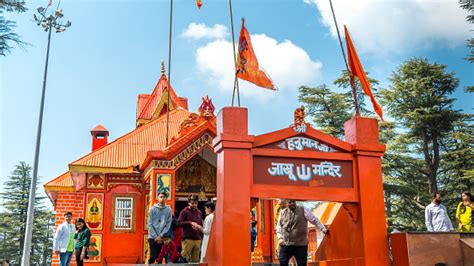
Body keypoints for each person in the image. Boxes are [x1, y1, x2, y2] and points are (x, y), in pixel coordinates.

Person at [276, 200, 328, 266]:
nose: (292, 203)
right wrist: (280, 238)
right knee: (283, 262)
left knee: (302, 264)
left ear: (295, 202)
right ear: (287, 203)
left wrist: (323, 229)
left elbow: (314, 220)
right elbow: (279, 226)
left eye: (293, 202)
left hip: (300, 245)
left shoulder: (303, 209)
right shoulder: (283, 212)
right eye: (290, 202)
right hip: (286, 244)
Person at [148, 192, 173, 264]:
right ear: (157, 198)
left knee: (160, 257)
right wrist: (156, 237)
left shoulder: (168, 210)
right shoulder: (152, 209)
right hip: (152, 237)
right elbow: (150, 224)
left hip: (163, 237)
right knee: (153, 256)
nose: (162, 198)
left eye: (164, 197)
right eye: (161, 197)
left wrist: (161, 236)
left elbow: (168, 225)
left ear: (166, 199)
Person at [178, 194, 203, 262]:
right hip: (187, 239)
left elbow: (200, 224)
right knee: (184, 259)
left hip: (197, 239)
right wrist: (190, 223)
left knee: (196, 260)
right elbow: (179, 223)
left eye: (196, 203)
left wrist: (199, 228)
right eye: (192, 203)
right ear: (188, 203)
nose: (194, 205)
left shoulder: (199, 212)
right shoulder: (184, 211)